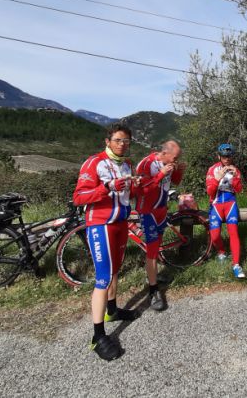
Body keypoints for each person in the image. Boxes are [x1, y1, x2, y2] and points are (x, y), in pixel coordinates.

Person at [73, 123, 139, 361]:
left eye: (126, 141)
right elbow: (79, 197)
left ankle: (112, 310)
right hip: (101, 225)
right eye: (118, 140)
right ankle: (97, 337)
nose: (122, 144)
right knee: (103, 278)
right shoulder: (94, 163)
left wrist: (135, 187)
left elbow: (127, 195)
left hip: (121, 223)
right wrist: (106, 187)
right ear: (108, 141)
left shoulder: (127, 165)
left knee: (115, 270)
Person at [136, 140, 185, 311]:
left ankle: (153, 276)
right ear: (164, 153)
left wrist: (179, 170)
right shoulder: (146, 164)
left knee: (156, 247)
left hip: (161, 210)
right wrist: (160, 174)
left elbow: (176, 182)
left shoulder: (169, 163)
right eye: (175, 158)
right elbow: (141, 190)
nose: (176, 160)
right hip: (147, 211)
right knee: (151, 250)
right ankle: (153, 290)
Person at [206, 143, 245, 279]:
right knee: (215, 236)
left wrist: (235, 178)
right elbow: (209, 192)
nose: (227, 159)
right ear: (219, 157)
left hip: (230, 204)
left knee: (233, 233)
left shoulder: (235, 170)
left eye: (229, 156)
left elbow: (239, 190)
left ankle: (236, 264)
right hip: (216, 204)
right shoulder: (212, 169)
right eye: (224, 156)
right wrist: (217, 178)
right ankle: (221, 252)